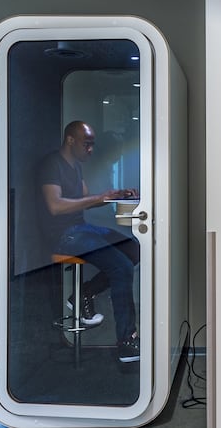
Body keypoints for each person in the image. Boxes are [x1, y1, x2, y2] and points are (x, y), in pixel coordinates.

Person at [38, 120, 141, 363]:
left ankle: (85, 293)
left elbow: (85, 198)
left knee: (135, 249)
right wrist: (101, 196)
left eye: (93, 145)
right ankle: (127, 340)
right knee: (122, 267)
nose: (91, 150)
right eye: (88, 144)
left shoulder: (75, 165)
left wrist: (114, 195)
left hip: (81, 228)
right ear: (71, 140)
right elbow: (55, 205)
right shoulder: (51, 164)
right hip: (65, 236)